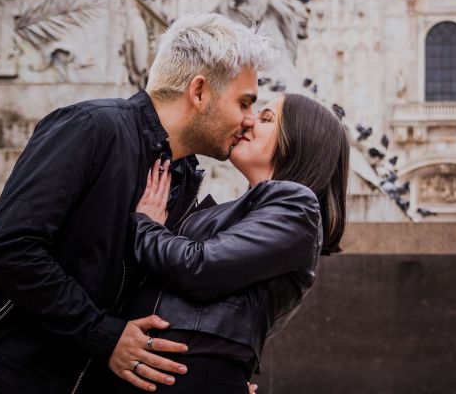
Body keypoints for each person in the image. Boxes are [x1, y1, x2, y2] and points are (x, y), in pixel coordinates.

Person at [0, 13, 274, 393]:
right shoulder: (91, 127)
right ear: (198, 91)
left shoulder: (182, 176)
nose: (248, 120)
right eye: (244, 103)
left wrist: (215, 381)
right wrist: (101, 333)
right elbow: (11, 246)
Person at [110, 92, 349, 393]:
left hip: (187, 375)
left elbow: (199, 267)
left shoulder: (297, 206)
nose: (248, 122)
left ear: (300, 140)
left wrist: (145, 223)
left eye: (266, 119)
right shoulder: (252, 212)